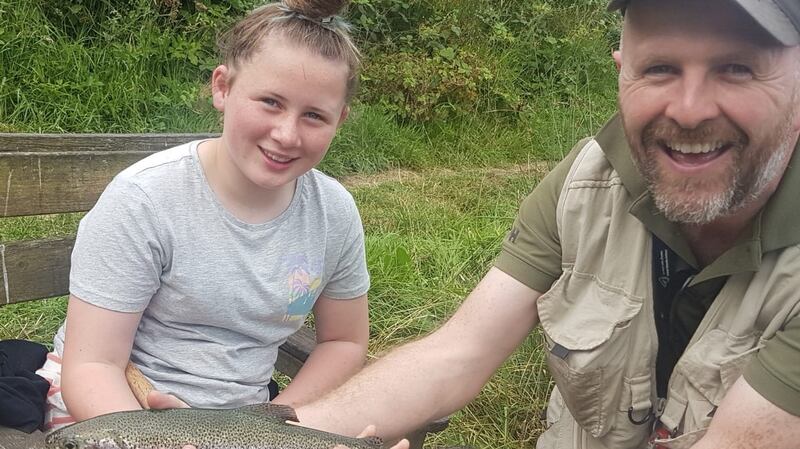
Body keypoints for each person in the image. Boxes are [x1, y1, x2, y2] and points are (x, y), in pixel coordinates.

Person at [296, 0, 800, 448]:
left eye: (737, 69)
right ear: (622, 73)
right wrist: (280, 432)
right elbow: (458, 353)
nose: (689, 111)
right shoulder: (590, 178)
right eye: (661, 68)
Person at [38, 0, 370, 432]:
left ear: (339, 120)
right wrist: (164, 440)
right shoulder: (145, 200)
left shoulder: (334, 215)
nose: (287, 135)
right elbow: (92, 366)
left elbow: (343, 341)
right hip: (114, 410)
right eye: (270, 102)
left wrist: (271, 427)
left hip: (246, 420)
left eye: (314, 115)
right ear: (222, 87)